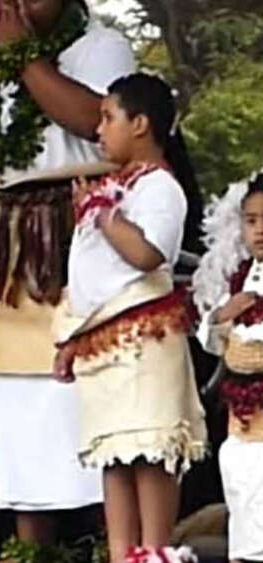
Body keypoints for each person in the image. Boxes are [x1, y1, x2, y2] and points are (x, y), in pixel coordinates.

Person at [0, 0, 136, 554]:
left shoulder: (102, 46)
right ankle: (33, 549)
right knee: (19, 423)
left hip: (80, 232)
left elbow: (96, 124)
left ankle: (110, 545)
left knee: (94, 409)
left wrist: (22, 56)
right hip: (2, 246)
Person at [53, 73, 206, 563]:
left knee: (149, 453)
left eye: (107, 117)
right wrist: (71, 338)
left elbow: (146, 254)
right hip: (103, 346)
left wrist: (103, 216)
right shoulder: (112, 189)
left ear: (140, 124)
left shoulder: (161, 187)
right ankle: (121, 555)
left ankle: (154, 553)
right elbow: (92, 281)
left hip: (145, 346)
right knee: (114, 458)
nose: (98, 130)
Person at [194, 172, 263, 563]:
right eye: (251, 220)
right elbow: (212, 337)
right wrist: (225, 313)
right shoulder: (240, 280)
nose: (260, 230)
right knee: (244, 528)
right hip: (241, 428)